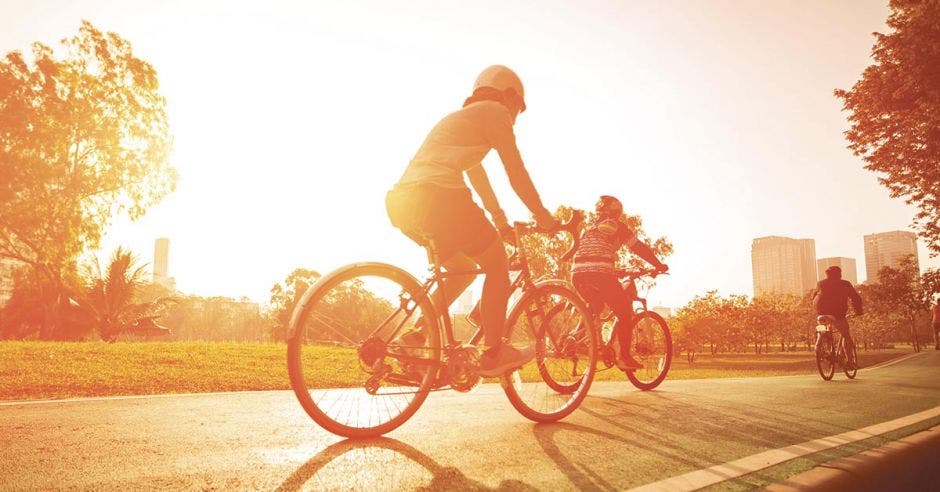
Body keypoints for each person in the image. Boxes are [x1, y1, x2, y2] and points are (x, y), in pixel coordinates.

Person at [386, 65, 559, 377]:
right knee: (498, 263)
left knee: (459, 272)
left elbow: (477, 177)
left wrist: (501, 223)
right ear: (509, 96)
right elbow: (515, 172)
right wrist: (543, 216)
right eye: (519, 107)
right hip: (438, 195)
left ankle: (415, 337)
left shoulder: (465, 123)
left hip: (404, 202)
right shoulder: (495, 112)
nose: (516, 115)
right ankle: (494, 351)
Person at [570, 195, 668, 371]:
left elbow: (594, 254)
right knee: (624, 312)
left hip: (577, 273)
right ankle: (624, 357)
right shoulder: (617, 226)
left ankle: (575, 339)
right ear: (615, 212)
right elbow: (638, 247)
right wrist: (658, 264)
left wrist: (613, 269)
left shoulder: (589, 228)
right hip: (599, 274)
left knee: (596, 306)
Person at [813, 265, 863, 367]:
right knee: (846, 336)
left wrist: (818, 311)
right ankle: (849, 362)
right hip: (838, 315)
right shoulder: (845, 284)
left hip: (822, 315)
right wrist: (858, 311)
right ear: (839, 274)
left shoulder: (820, 284)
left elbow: (814, 297)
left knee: (822, 331)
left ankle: (821, 346)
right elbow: (856, 298)